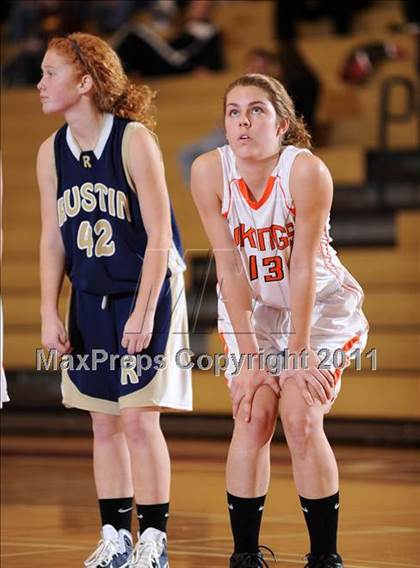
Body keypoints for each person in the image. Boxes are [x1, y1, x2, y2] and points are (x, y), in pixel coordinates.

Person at [191, 73, 368, 568]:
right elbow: (227, 266)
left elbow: (304, 266)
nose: (243, 121)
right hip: (254, 307)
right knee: (252, 415)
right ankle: (245, 556)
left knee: (300, 413)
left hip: (319, 306)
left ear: (284, 124)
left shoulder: (305, 172)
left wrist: (299, 348)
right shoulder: (209, 171)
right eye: (233, 112)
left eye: (257, 111)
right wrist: (249, 356)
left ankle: (324, 557)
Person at [37, 32, 192, 568]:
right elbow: (52, 236)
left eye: (49, 72)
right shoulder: (50, 151)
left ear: (84, 81)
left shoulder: (132, 141)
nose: (39, 84)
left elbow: (158, 238)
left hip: (145, 288)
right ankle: (116, 539)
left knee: (138, 420)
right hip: (91, 294)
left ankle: (154, 541)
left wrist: (146, 311)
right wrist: (48, 310)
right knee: (102, 422)